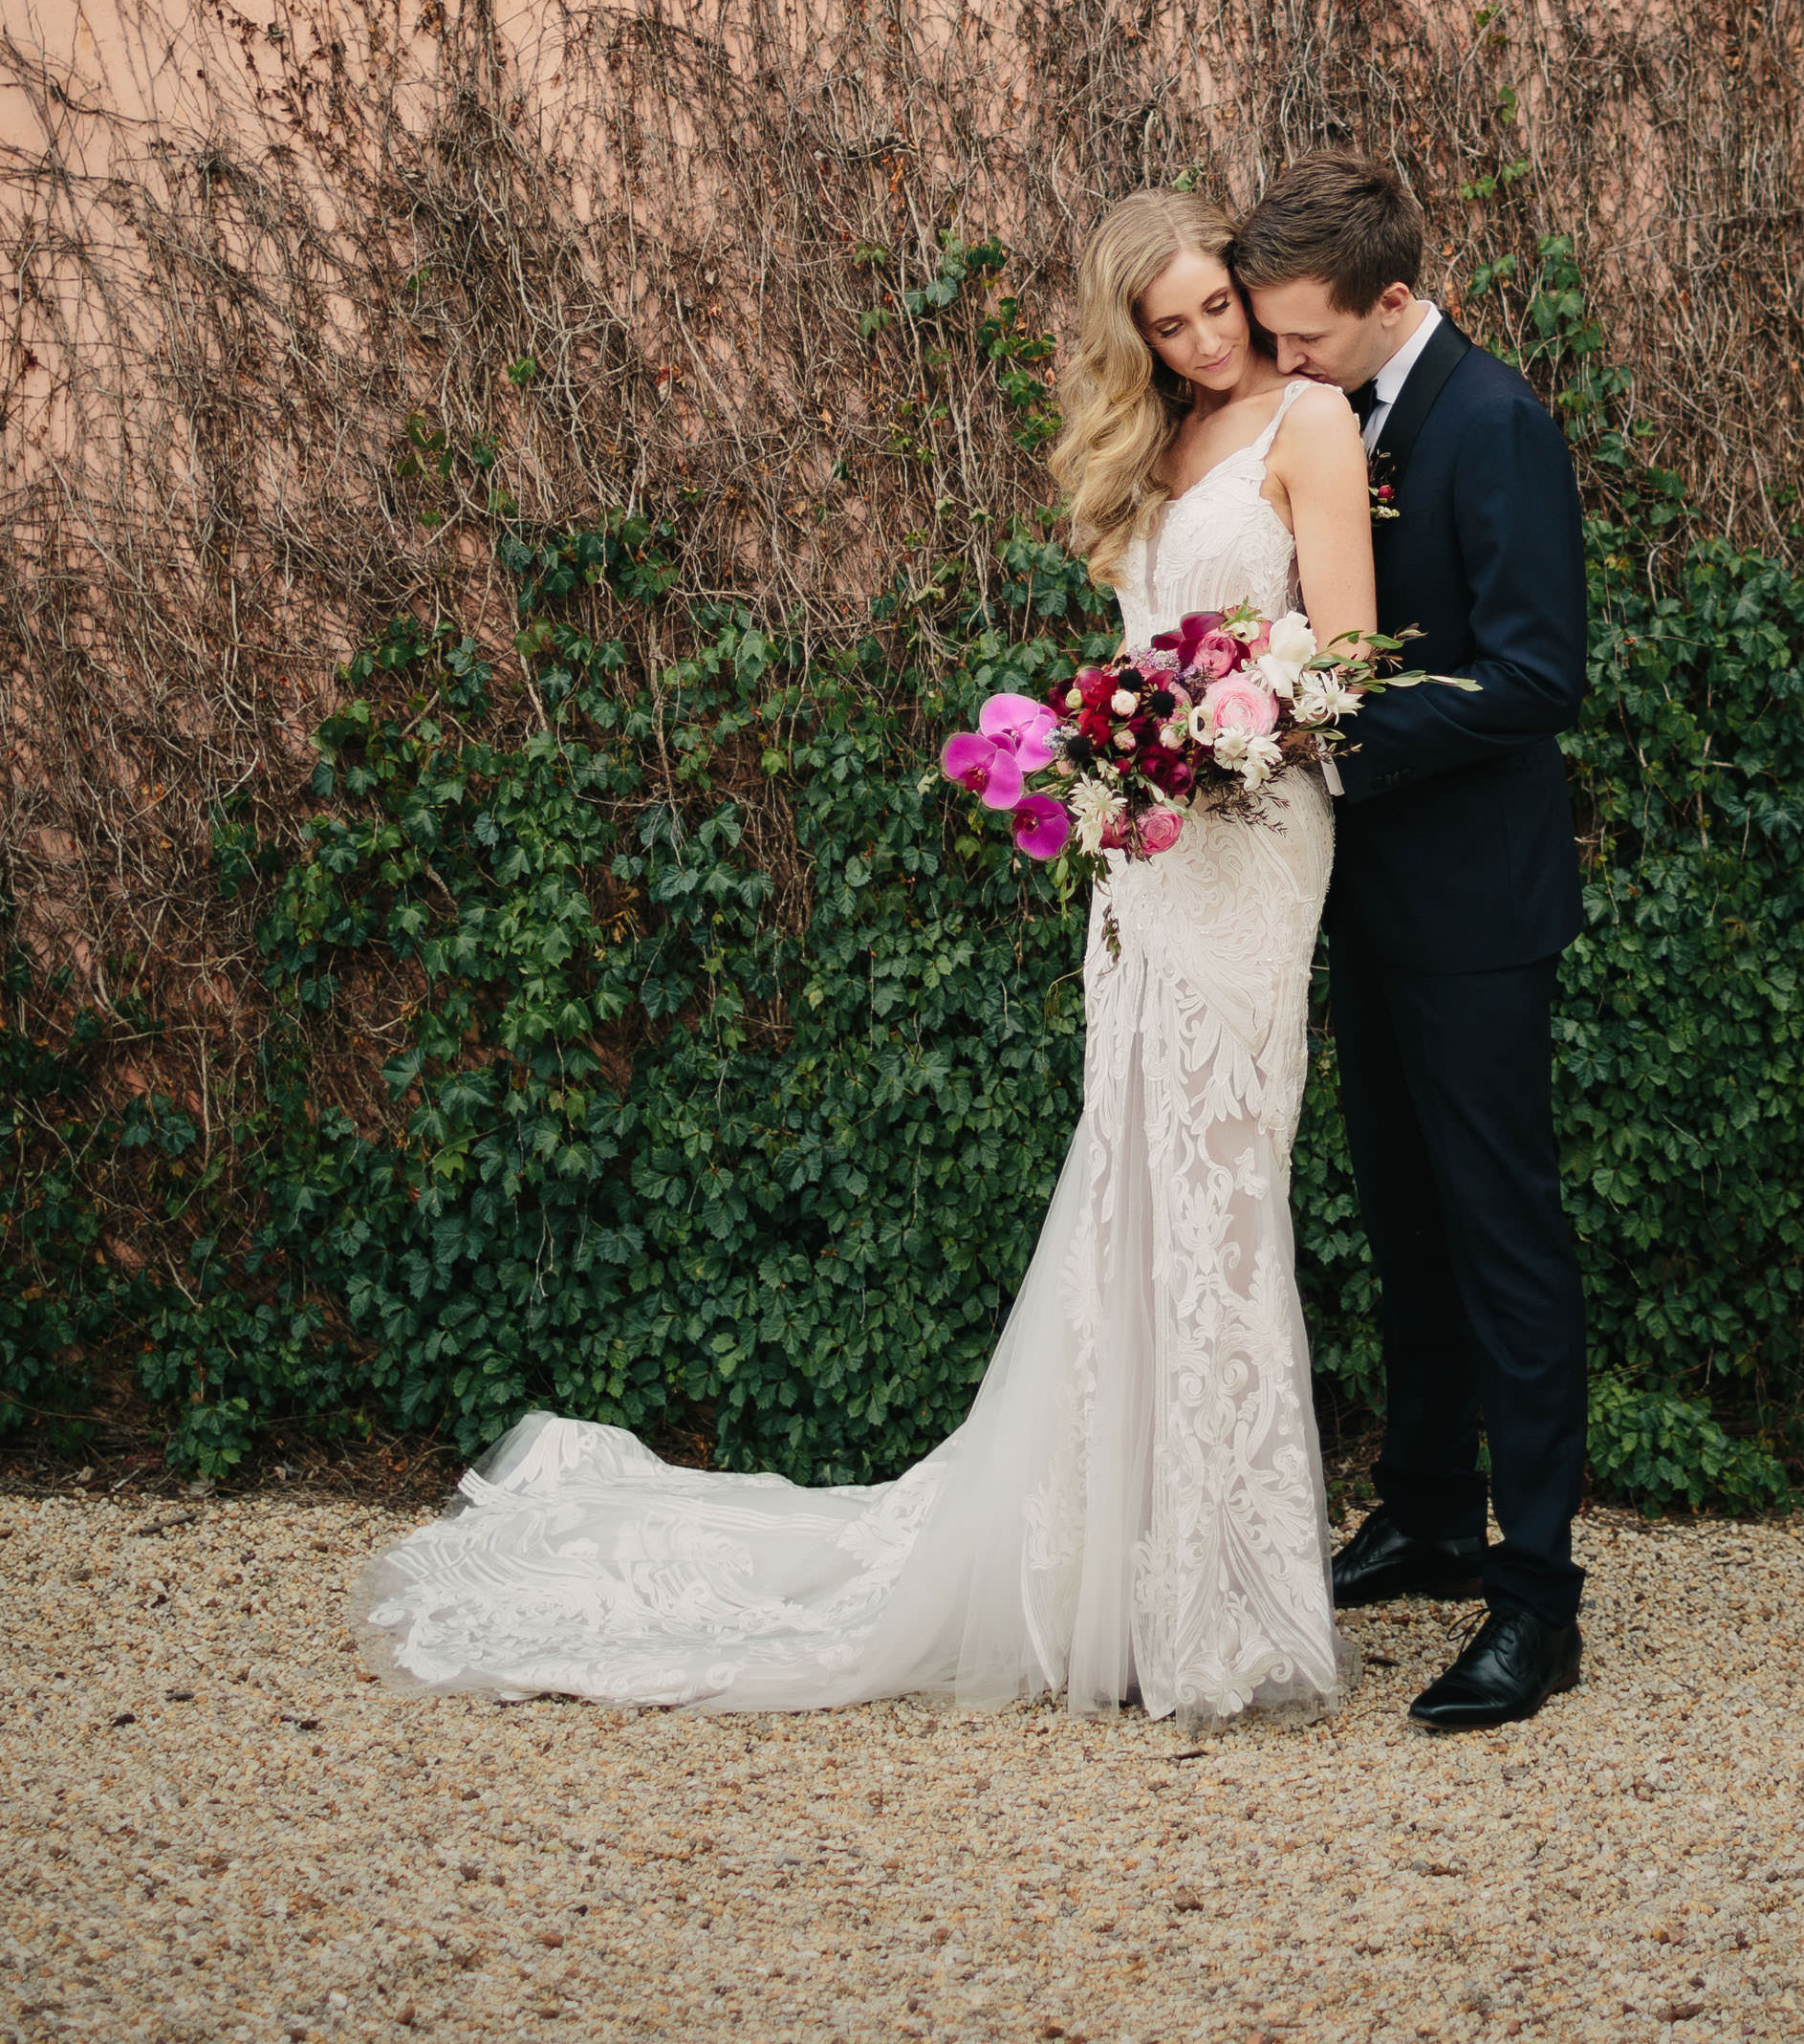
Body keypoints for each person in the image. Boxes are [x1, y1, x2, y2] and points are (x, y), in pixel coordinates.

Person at [352, 187, 1375, 1727]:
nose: (1204, 341)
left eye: (1214, 308)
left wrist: (1223, 736)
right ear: (1134, 338)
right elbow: (1132, 655)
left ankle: (1220, 1595)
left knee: (1228, 1184)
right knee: (1132, 1181)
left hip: (1255, 835)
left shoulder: (1310, 424)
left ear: (1243, 289)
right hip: (1150, 856)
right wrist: (1120, 750)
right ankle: (1117, 1576)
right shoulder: (1145, 447)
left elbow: (1345, 662)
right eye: (1168, 327)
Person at [1236, 152, 1591, 1733]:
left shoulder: (1494, 422)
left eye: (1303, 338)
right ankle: (1433, 1513)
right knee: (1402, 1223)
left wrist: (1334, 726)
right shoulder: (1335, 410)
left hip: (1475, 910)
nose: (1279, 363)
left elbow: (1535, 677)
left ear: (1390, 300)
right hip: (1360, 903)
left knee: (1500, 1238)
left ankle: (1537, 1599)